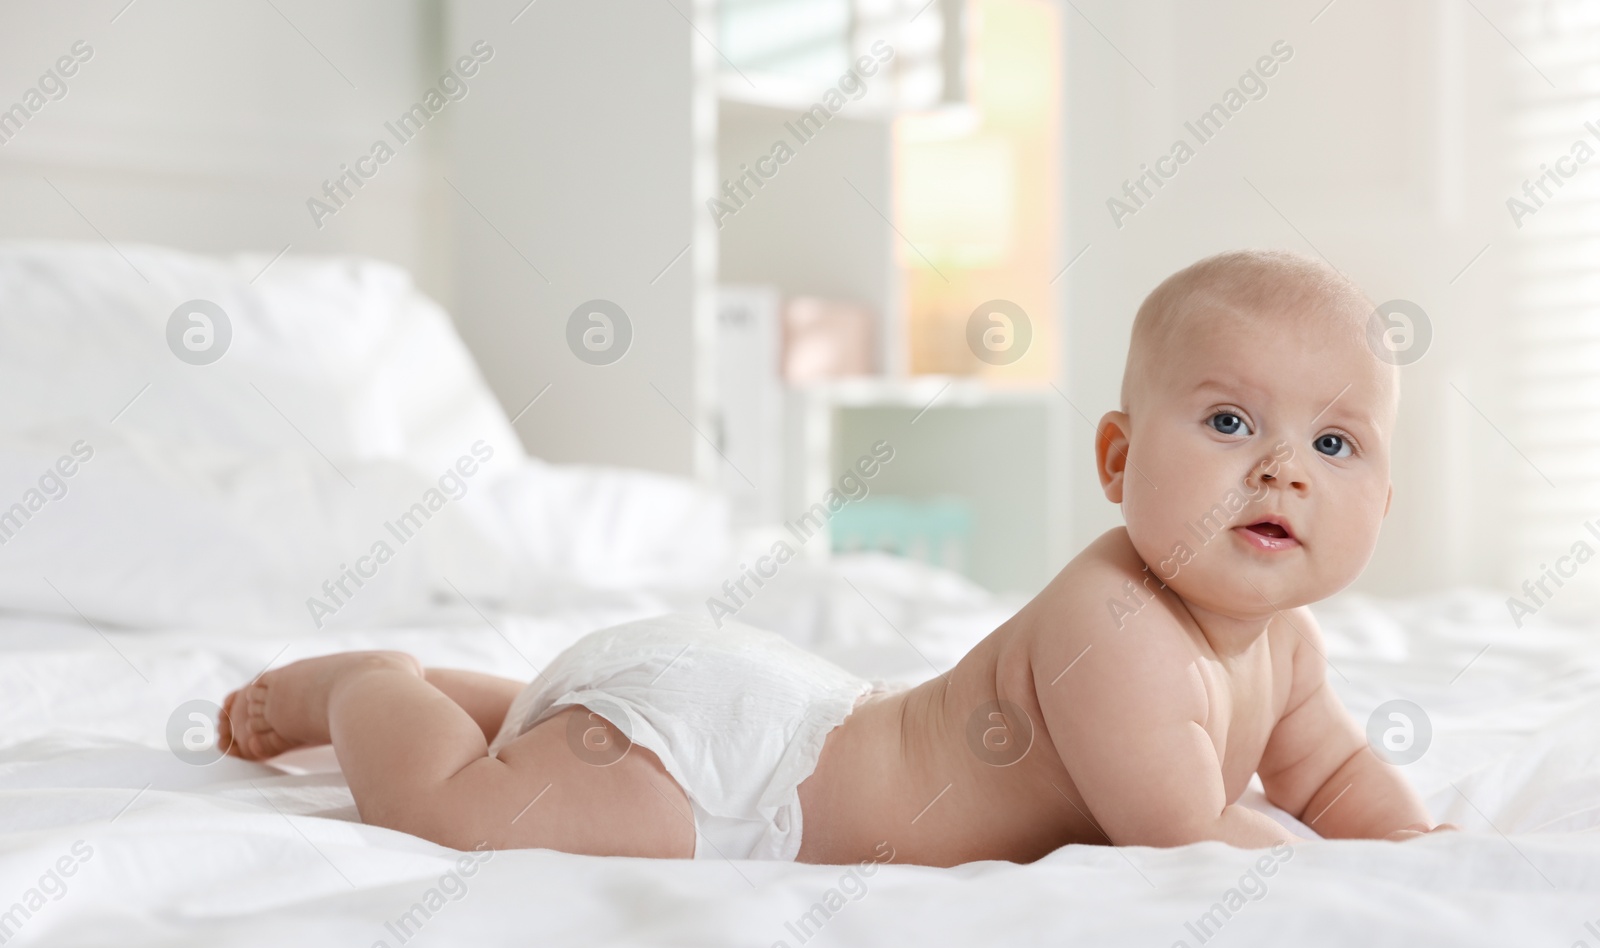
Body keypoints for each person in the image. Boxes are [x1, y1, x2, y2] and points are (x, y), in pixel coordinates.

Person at [218, 249, 1453, 867]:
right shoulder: (1112, 620)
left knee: (562, 738)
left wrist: (1414, 849)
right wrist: (1325, 868)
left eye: (1333, 441)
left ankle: (487, 699)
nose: (1281, 466)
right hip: (739, 778)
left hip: (778, 707)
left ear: (1380, 505)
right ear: (1119, 460)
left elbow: (1332, 777)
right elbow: (1183, 828)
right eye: (1230, 421)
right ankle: (372, 685)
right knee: (470, 819)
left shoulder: (1284, 647)